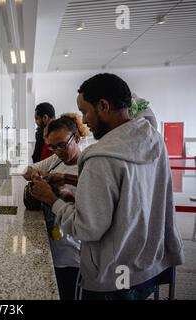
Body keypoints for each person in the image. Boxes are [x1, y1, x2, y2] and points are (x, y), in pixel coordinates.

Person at [31, 73, 184, 300]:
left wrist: (53, 201)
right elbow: (122, 197)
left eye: (85, 111)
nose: (83, 121)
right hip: (151, 265)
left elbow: (86, 229)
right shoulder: (151, 134)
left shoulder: (99, 158)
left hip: (114, 276)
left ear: (103, 105)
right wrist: (73, 192)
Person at [24, 113, 88, 300]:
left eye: (61, 145)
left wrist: (52, 196)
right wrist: (37, 176)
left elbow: (89, 215)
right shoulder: (57, 160)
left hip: (72, 253)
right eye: (51, 146)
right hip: (55, 245)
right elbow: (27, 170)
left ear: (76, 138)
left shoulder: (87, 168)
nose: (57, 150)